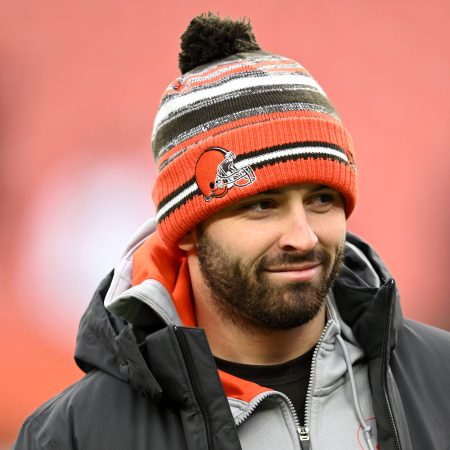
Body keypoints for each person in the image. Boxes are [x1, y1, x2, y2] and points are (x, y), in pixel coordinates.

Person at [14, 13, 450, 450]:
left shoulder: (440, 379)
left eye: (321, 199)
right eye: (261, 205)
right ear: (186, 230)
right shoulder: (73, 435)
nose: (303, 236)